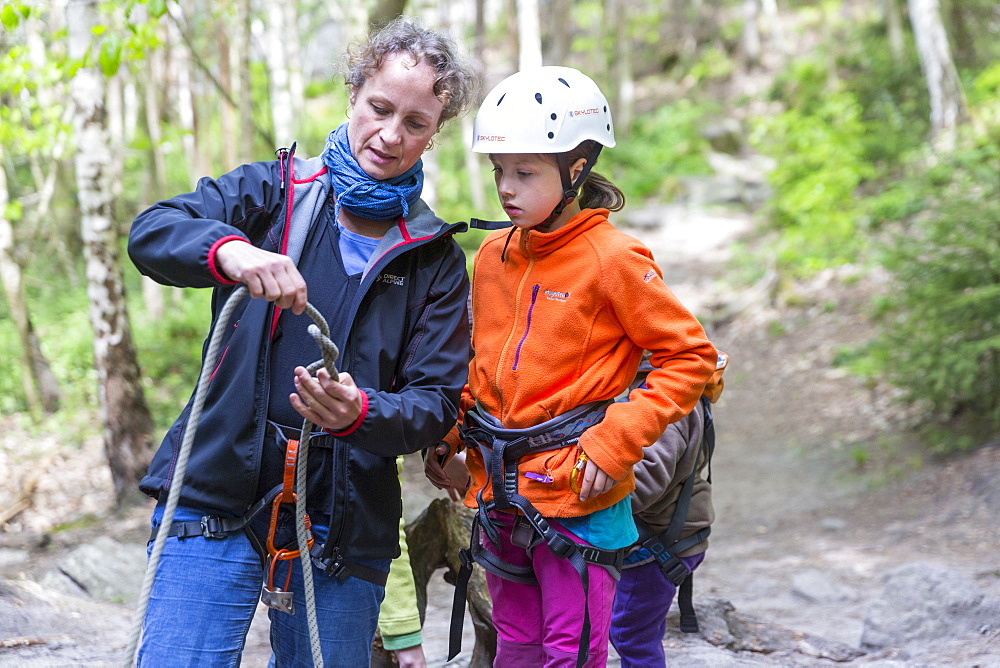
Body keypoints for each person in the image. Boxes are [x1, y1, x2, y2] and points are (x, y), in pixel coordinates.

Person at [127, 17, 479, 666]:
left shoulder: (434, 259)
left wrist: (361, 413)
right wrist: (228, 251)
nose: (390, 135)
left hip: (346, 514)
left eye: (415, 123)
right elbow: (152, 232)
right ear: (353, 94)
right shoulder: (272, 195)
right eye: (379, 108)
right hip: (215, 483)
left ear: (435, 133)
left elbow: (436, 401)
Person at [425, 66, 717, 667]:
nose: (506, 188)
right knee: (516, 650)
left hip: (575, 497)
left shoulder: (613, 258)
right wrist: (450, 436)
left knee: (572, 654)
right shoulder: (492, 256)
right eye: (499, 171)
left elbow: (690, 357)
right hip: (500, 490)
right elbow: (481, 363)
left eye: (525, 172)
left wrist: (616, 444)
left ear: (577, 169)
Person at [609, 351, 726, 667]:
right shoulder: (677, 386)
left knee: (631, 636)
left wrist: (579, 495)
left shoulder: (660, 402)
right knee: (631, 632)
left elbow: (644, 483)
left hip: (659, 542)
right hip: (669, 534)